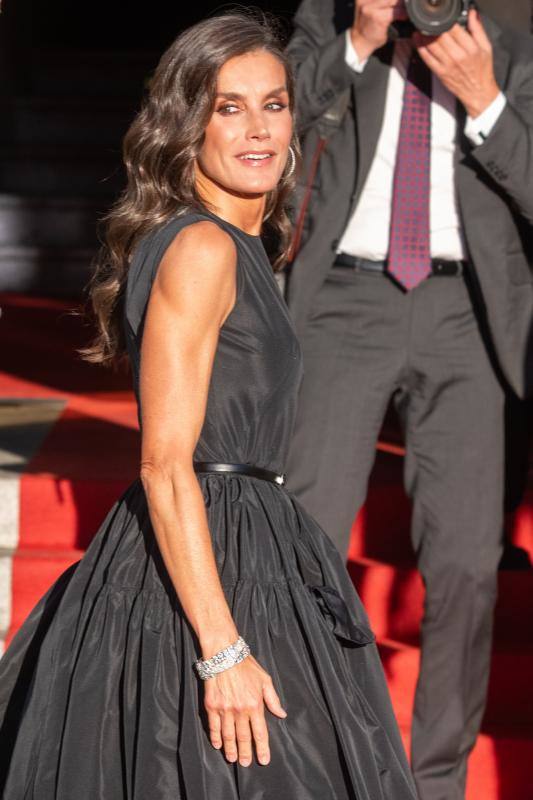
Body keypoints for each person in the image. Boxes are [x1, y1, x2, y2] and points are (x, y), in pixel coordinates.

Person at [0, 12, 417, 800]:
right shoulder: (201, 248)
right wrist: (221, 650)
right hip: (211, 559)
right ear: (185, 125)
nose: (257, 128)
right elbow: (162, 463)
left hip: (249, 542)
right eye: (228, 108)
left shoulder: (234, 243)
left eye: (274, 103)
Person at [285, 1, 533, 798]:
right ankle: (305, 762)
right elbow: (266, 122)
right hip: (342, 302)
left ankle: (435, 785)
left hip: (469, 315)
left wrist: (484, 96)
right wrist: (355, 42)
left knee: (464, 568)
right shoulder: (329, 14)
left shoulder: (514, 30)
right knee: (303, 538)